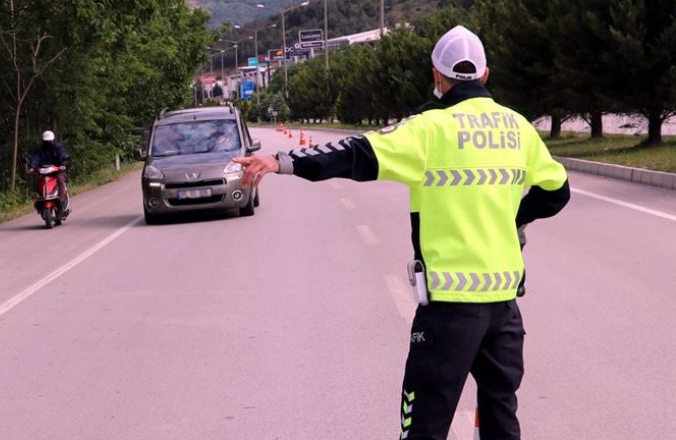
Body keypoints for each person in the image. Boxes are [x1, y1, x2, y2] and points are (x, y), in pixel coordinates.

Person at [233, 25, 570, 440]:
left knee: (424, 426)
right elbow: (557, 192)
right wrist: (515, 216)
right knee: (501, 418)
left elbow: (353, 155)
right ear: (486, 75)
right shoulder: (517, 128)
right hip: (503, 310)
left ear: (437, 75)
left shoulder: (428, 129)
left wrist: (282, 161)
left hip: (449, 312)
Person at [28, 130, 71, 215]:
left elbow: (63, 155)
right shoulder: (39, 150)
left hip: (57, 170)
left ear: (53, 140)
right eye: (46, 141)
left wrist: (63, 164)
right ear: (43, 141)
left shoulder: (58, 147)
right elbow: (35, 158)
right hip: (44, 171)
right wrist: (32, 167)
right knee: (38, 182)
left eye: (49, 141)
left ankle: (61, 199)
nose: (48, 143)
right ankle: (41, 197)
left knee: (60, 179)